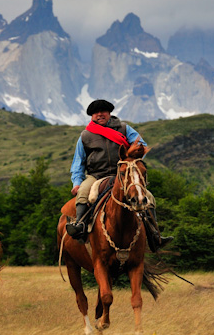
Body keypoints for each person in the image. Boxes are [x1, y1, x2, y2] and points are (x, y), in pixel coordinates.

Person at [65, 99, 172, 251]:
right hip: (96, 175)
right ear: (92, 116)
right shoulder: (85, 135)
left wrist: (132, 159)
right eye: (96, 112)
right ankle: (80, 226)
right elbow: (78, 163)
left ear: (109, 113)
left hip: (123, 174)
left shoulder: (124, 128)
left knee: (149, 198)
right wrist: (76, 182)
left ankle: (155, 236)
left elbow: (142, 146)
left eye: (103, 111)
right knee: (83, 192)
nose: (100, 114)